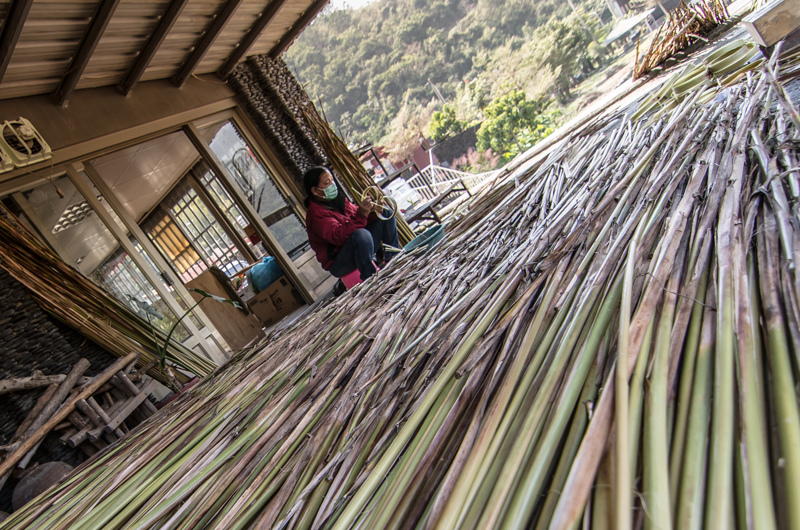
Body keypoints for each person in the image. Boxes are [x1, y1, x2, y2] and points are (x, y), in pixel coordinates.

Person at [303, 166, 399, 281]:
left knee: (386, 213)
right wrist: (362, 214)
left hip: (360, 247)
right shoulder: (315, 215)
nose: (332, 185)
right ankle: (371, 278)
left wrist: (372, 212)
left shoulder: (339, 199)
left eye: (332, 180)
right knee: (361, 235)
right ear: (315, 190)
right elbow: (338, 237)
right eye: (327, 183)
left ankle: (393, 258)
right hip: (339, 261)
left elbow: (356, 216)